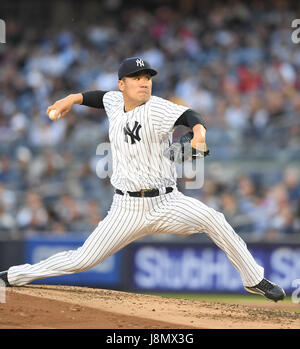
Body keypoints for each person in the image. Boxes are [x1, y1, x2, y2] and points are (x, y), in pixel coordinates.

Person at [0, 57, 285, 302]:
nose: (144, 82)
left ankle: (253, 279)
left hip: (167, 201)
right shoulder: (114, 101)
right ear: (121, 84)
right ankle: (12, 275)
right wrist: (71, 98)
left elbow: (190, 115)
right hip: (126, 209)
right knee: (81, 260)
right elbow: (98, 97)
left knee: (215, 219)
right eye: (136, 78)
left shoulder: (157, 108)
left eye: (147, 77)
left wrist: (199, 133)